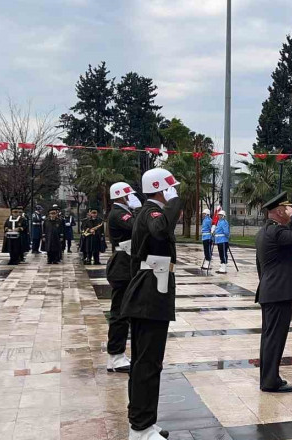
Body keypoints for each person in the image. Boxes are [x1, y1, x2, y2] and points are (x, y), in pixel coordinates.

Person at [121, 168, 182, 440]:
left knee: (147, 361)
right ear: (161, 189)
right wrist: (174, 202)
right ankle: (140, 428)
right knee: (147, 362)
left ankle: (143, 421)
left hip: (151, 289)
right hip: (149, 292)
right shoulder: (150, 212)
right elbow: (160, 230)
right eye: (170, 188)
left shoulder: (146, 211)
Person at [254, 192, 292, 393]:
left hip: (271, 291)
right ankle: (270, 381)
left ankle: (269, 378)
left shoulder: (264, 232)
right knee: (274, 338)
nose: (289, 212)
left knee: (270, 337)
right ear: (279, 211)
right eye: (286, 208)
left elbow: (260, 266)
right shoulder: (275, 232)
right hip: (278, 293)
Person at [106, 182, 143, 374]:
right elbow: (136, 226)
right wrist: (138, 210)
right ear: (122, 197)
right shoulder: (119, 213)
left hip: (125, 263)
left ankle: (117, 354)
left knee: (123, 312)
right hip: (122, 266)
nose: (131, 199)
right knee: (119, 313)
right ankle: (115, 355)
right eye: (129, 196)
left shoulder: (119, 211)